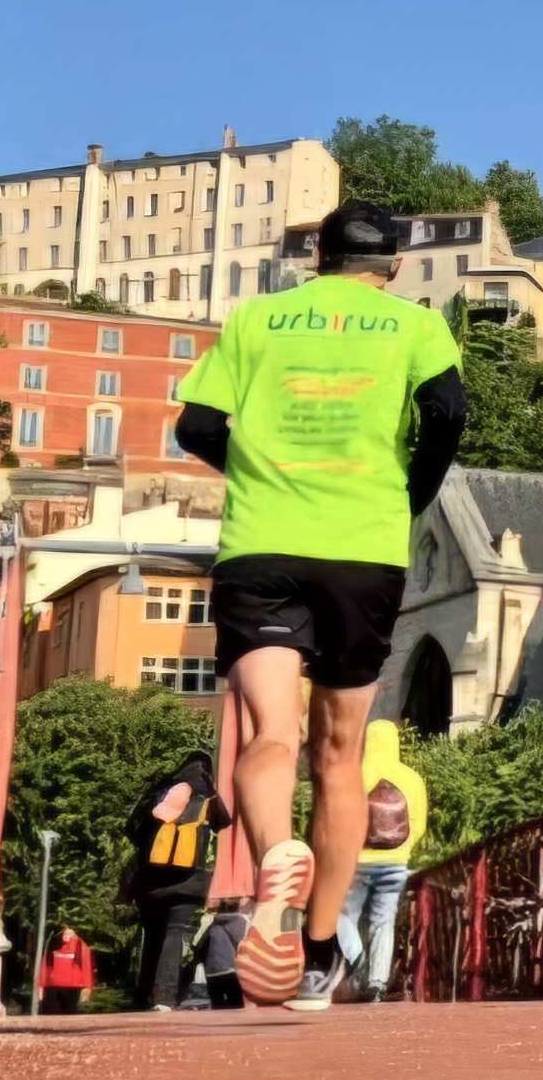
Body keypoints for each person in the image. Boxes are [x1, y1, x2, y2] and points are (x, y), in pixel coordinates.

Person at [173, 201, 464, 1010]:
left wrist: (258, 469)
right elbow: (448, 414)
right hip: (364, 548)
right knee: (339, 757)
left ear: (318, 260)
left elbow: (195, 425)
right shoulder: (415, 326)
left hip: (261, 544)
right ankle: (317, 950)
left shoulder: (256, 318)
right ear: (395, 265)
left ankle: (273, 859)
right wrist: (411, 492)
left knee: (271, 732)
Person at [337, 718, 430, 1002]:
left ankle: (357, 959)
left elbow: (339, 818)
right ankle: (377, 980)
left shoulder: (354, 773)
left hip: (358, 861)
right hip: (395, 862)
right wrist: (404, 850)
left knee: (342, 915)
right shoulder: (410, 777)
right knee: (383, 921)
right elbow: (418, 823)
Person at [124, 749, 221, 1009]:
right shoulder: (208, 794)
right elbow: (226, 826)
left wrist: (152, 853)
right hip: (188, 881)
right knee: (174, 933)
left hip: (150, 882)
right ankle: (165, 998)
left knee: (152, 936)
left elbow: (131, 827)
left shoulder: (162, 788)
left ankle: (141, 997)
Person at [197, 899, 250, 1010]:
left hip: (211, 970)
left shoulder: (212, 923)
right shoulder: (240, 921)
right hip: (228, 968)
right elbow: (240, 941)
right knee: (237, 1005)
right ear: (238, 906)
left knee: (217, 1006)